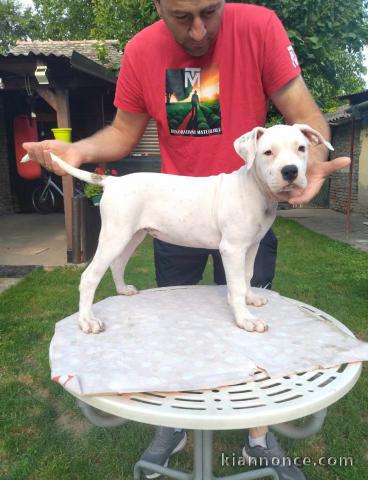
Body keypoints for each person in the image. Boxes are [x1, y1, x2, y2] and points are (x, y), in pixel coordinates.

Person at [24, 1, 350, 479]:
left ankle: (257, 434)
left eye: (209, 11)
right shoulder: (140, 51)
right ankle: (174, 419)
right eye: (181, 16)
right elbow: (121, 131)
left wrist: (307, 157)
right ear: (157, 5)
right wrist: (75, 152)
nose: (198, 29)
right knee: (172, 321)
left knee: (250, 313)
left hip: (240, 203)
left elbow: (305, 117)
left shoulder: (259, 26)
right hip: (173, 202)